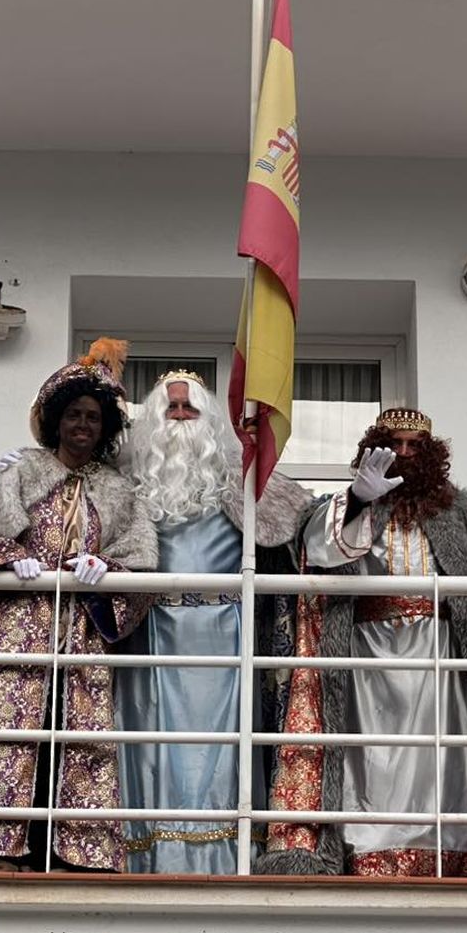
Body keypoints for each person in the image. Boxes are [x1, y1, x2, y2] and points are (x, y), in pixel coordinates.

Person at [256, 408, 467, 879]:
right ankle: (365, 854)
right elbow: (318, 551)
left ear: (430, 454)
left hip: (441, 657)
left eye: (415, 446)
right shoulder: (351, 503)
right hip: (367, 659)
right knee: (372, 763)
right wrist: (357, 500)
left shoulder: (460, 511)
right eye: (394, 444)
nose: (404, 453)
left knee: (445, 762)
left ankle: (452, 856)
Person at [0, 340, 158, 873]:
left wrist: (107, 569)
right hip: (11, 629)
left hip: (78, 635)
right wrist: (11, 556)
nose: (83, 425)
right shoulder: (21, 471)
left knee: (72, 735)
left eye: (93, 417)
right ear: (56, 420)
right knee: (3, 730)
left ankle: (66, 854)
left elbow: (142, 570)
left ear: (105, 428)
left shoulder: (118, 492)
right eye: (74, 414)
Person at [113, 369, 313, 874]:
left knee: (222, 753)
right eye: (172, 408)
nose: (181, 417)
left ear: (208, 419)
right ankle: (152, 859)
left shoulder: (241, 479)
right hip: (149, 634)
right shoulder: (126, 480)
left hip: (224, 637)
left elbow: (305, 521)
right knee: (150, 747)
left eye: (190, 408)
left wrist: (358, 502)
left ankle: (225, 859)